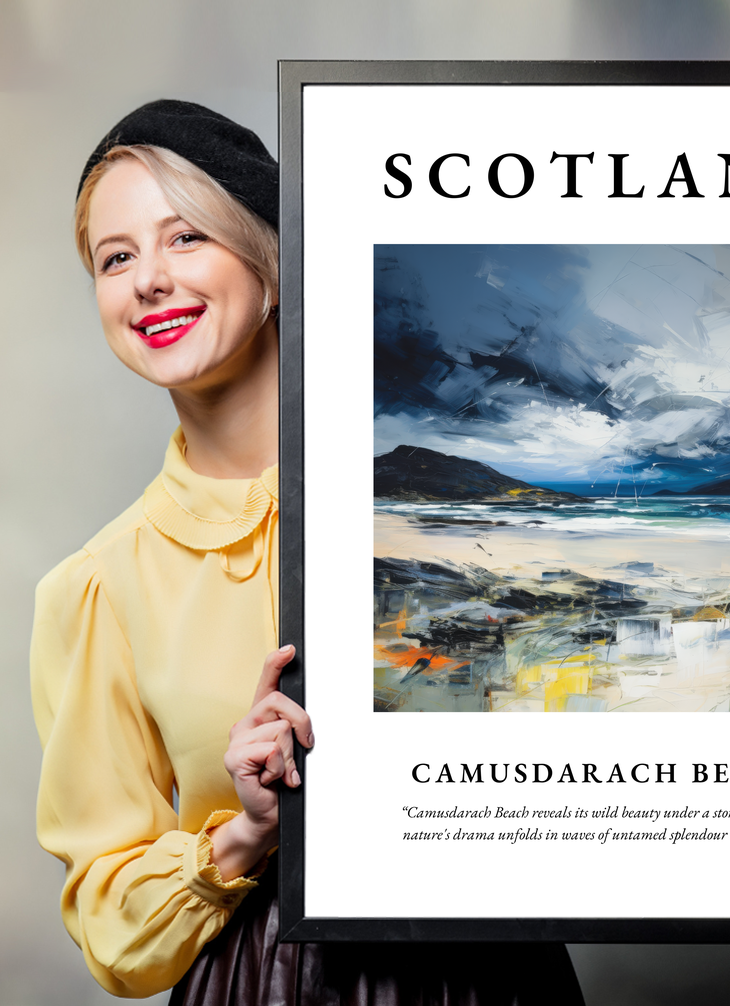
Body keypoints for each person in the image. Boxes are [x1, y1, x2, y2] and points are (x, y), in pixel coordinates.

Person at [30, 100, 585, 1004]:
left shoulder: (447, 515)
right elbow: (110, 925)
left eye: (186, 239)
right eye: (116, 257)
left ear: (274, 265)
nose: (148, 281)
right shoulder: (97, 586)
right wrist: (245, 832)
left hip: (493, 972)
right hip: (264, 981)